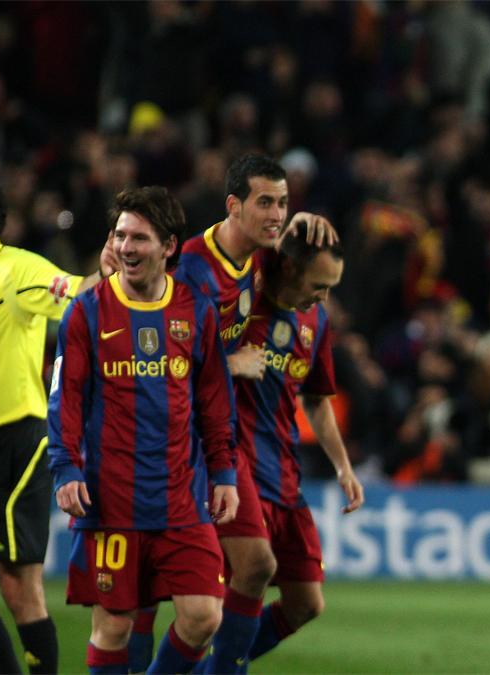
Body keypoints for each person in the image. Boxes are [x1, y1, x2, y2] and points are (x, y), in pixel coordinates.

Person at [132, 153, 339, 673]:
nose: (276, 214)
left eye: (284, 203)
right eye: (265, 202)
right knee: (158, 594)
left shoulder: (256, 259)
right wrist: (228, 360)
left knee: (245, 575)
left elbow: (295, 267)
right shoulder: (194, 270)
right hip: (172, 439)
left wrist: (302, 227)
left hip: (217, 441)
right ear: (233, 206)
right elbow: (155, 358)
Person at [46, 186, 239, 674]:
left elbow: (215, 403)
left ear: (170, 246)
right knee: (113, 626)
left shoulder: (196, 311)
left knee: (203, 615)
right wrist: (66, 466)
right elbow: (64, 397)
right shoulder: (87, 311)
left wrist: (224, 473)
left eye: (140, 238)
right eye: (120, 236)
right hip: (111, 498)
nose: (127, 248)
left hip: (181, 495)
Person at [0, 170, 112, 675]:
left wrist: (107, 271)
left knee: (20, 584)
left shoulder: (17, 269)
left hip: (14, 443)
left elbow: (80, 293)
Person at [212, 222, 363, 671]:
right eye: (319, 285)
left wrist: (343, 467)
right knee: (251, 570)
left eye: (332, 287)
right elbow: (243, 235)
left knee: (306, 603)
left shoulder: (315, 320)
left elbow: (316, 401)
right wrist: (294, 219)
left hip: (283, 470)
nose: (324, 297)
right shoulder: (247, 290)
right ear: (291, 267)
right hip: (233, 463)